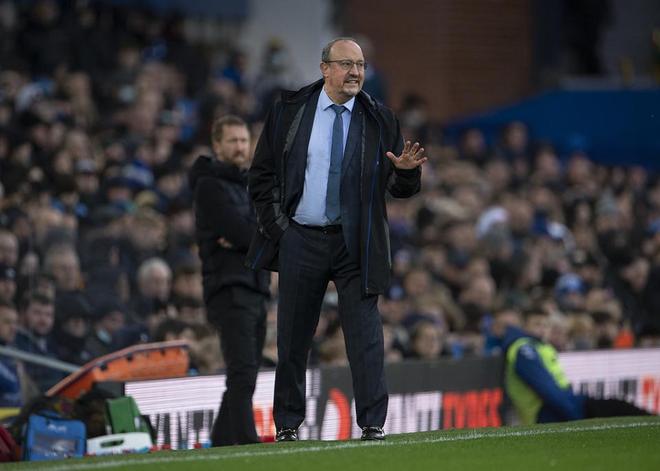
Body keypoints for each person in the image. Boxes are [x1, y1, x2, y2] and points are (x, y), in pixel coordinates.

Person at [247, 37, 427, 441]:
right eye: (347, 64)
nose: (356, 73)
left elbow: (398, 187)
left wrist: (407, 173)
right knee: (293, 337)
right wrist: (281, 231)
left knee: (365, 337)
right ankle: (287, 425)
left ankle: (373, 423)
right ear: (325, 68)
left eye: (360, 65)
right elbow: (261, 176)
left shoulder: (380, 118)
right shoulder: (290, 111)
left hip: (355, 243)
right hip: (301, 238)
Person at [189, 115, 270, 446]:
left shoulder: (251, 183)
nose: (240, 147)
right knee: (242, 369)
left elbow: (265, 227)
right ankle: (248, 442)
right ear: (217, 145)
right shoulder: (209, 186)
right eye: (233, 141)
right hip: (228, 287)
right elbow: (239, 232)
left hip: (257, 286)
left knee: (247, 371)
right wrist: (256, 235)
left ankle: (222, 440)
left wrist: (253, 236)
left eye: (243, 140)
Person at [493, 308, 653, 425]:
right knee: (620, 409)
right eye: (536, 324)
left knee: (620, 407)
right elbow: (548, 390)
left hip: (565, 405)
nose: (541, 329)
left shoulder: (537, 346)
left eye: (545, 325)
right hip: (550, 412)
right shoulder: (524, 349)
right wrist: (574, 415)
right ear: (524, 326)